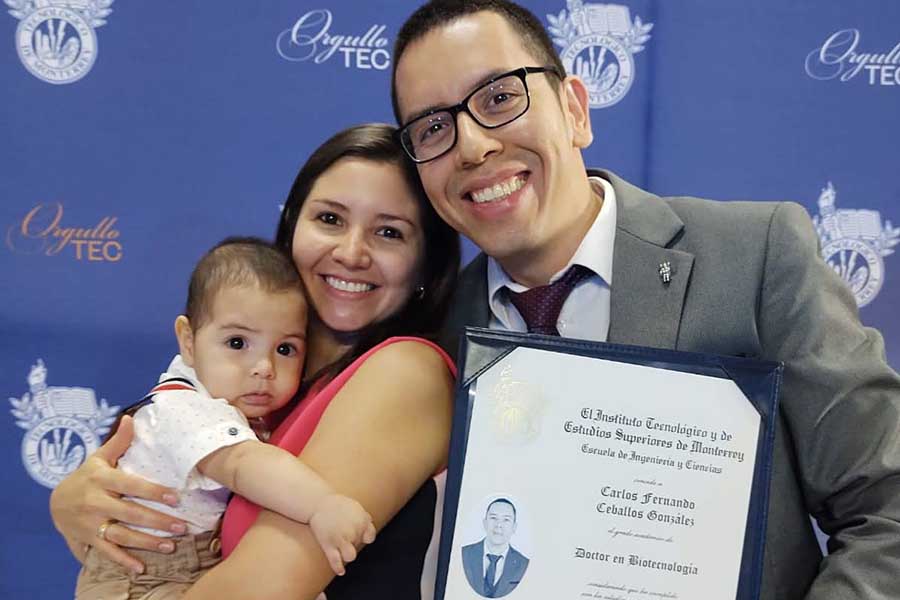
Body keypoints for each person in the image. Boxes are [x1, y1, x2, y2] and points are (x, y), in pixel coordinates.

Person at [389, 1, 900, 599]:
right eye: (433, 129)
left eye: (499, 99)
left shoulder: (756, 257)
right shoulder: (429, 344)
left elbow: (887, 509)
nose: (472, 146)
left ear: (575, 110)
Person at [50, 124, 461, 599]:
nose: (351, 252)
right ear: (291, 230)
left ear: (425, 266)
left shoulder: (405, 372)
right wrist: (74, 500)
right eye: (329, 219)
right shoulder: (254, 384)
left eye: (389, 232)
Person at [75, 237, 377, 599]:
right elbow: (242, 463)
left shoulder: (230, 398)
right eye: (237, 343)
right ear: (188, 341)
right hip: (140, 581)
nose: (264, 368)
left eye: (285, 349)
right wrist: (322, 506)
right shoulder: (184, 409)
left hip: (187, 567)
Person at [461, 498, 529, 598]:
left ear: (514, 527)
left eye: (506, 520)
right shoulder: (465, 554)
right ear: (485, 523)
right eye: (493, 518)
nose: (499, 525)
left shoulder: (523, 564)